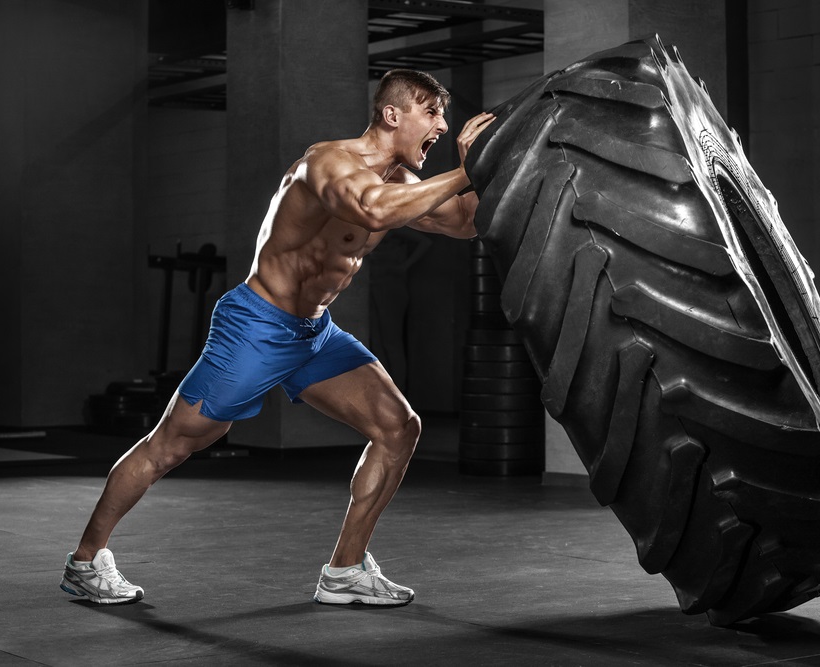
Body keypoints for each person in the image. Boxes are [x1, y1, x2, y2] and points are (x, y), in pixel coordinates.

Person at [59, 69, 494, 606]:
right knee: (171, 445)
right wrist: (464, 171)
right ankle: (85, 561)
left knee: (398, 427)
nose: (443, 126)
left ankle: (345, 570)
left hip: (314, 333)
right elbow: (369, 208)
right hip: (257, 325)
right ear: (392, 115)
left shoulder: (403, 184)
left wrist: (498, 163)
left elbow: (463, 224)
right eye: (433, 114)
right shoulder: (327, 162)